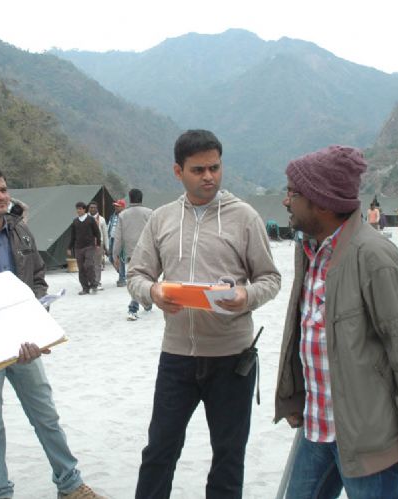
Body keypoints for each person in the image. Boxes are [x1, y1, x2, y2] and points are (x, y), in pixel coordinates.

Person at [275, 145, 398, 498]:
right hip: (317, 428)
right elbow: (307, 335)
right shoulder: (311, 250)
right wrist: (293, 398)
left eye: (293, 193)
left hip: (371, 441)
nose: (286, 201)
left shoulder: (374, 257)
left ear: (322, 202)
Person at [128, 130, 281, 498]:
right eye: (198, 170)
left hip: (232, 358)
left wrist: (245, 295)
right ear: (178, 171)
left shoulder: (245, 217)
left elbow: (270, 278)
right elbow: (137, 275)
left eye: (215, 167)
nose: (209, 176)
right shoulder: (162, 218)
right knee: (159, 451)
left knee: (228, 454)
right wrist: (153, 292)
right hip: (177, 357)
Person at [0, 166, 103, 499]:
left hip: (25, 340)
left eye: (3, 189)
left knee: (45, 414)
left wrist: (39, 315)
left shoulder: (22, 233)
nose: (1, 197)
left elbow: (38, 278)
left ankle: (70, 484)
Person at [112, 188, 153, 321]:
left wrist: (115, 255)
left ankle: (136, 307)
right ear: (141, 198)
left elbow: (118, 237)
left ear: (130, 198)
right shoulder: (150, 213)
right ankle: (141, 305)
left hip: (132, 254)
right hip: (148, 253)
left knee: (135, 280)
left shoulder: (123, 215)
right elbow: (156, 234)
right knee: (147, 278)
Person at [67, 201, 101, 295]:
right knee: (81, 268)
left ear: (84, 209)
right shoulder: (75, 221)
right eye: (77, 209)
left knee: (89, 265)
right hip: (78, 248)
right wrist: (69, 247)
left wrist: (98, 244)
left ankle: (93, 285)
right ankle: (85, 288)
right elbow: (73, 236)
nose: (78, 211)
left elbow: (97, 233)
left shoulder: (90, 219)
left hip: (89, 246)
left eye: (80, 209)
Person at [87, 201, 108, 290]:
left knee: (97, 264)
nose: (92, 209)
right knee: (88, 264)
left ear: (97, 208)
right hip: (87, 244)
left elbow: (105, 234)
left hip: (99, 244)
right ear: (88, 208)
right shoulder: (85, 218)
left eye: (94, 207)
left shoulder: (102, 219)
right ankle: (90, 281)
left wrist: (107, 247)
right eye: (91, 207)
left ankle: (97, 282)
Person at [107, 199, 126, 287]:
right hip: (112, 238)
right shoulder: (112, 216)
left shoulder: (125, 216)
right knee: (111, 257)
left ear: (123, 207)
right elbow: (109, 226)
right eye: (115, 206)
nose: (115, 207)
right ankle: (122, 274)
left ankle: (122, 278)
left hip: (120, 239)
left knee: (120, 258)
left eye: (118, 206)